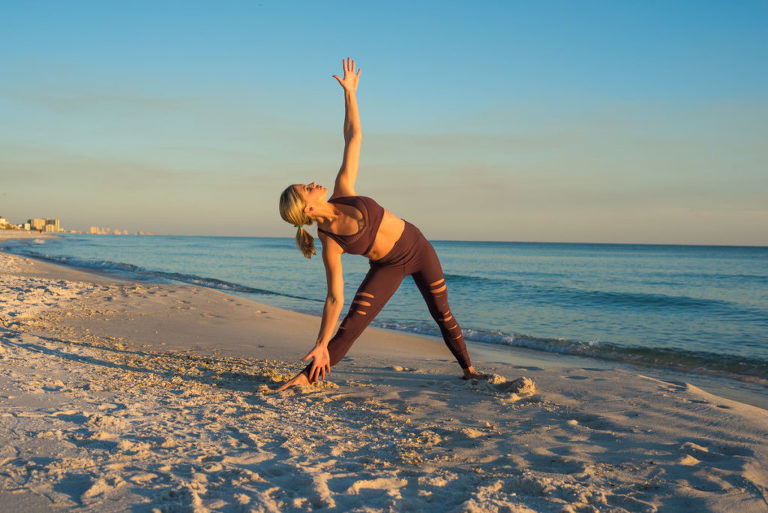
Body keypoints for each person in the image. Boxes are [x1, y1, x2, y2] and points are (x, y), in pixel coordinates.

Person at [277, 58, 485, 391]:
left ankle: (469, 370)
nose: (313, 182)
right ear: (309, 208)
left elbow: (353, 137)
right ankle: (307, 377)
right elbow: (334, 299)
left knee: (442, 314)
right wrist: (320, 341)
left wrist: (350, 94)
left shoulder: (343, 190)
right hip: (387, 265)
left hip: (418, 248)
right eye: (307, 188)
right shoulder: (330, 240)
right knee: (351, 327)